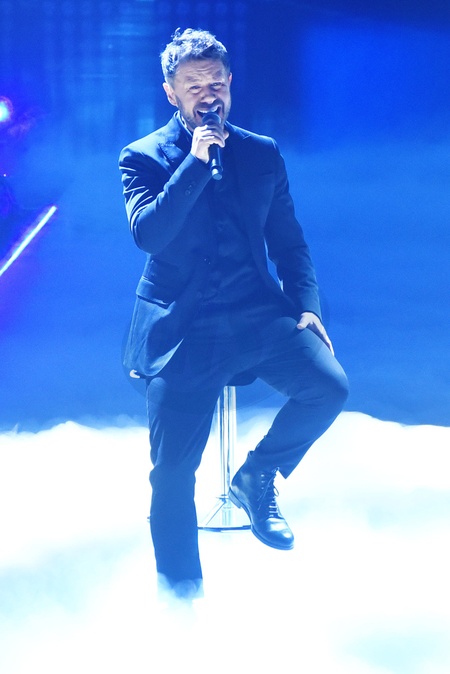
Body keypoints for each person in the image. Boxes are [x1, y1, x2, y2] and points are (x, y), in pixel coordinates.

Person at [119, 28, 348, 600]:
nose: (208, 95)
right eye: (194, 85)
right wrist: (195, 163)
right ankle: (181, 595)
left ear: (230, 84)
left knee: (328, 387)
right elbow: (150, 235)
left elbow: (289, 241)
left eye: (216, 83)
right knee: (173, 473)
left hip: (254, 312)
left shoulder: (261, 152)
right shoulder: (143, 157)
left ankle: (258, 474)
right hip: (182, 326)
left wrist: (307, 306)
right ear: (171, 92)